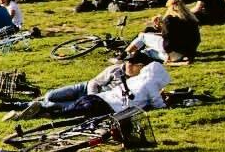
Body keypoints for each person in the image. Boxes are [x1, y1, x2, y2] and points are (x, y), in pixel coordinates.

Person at [9, 49, 170, 120]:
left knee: (53, 104)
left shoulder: (141, 80)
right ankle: (26, 106)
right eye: (127, 62)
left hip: (98, 100)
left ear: (141, 66)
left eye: (131, 63)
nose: (127, 65)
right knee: (51, 95)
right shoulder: (116, 70)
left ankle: (18, 107)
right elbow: (95, 82)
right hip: (87, 89)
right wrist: (92, 95)